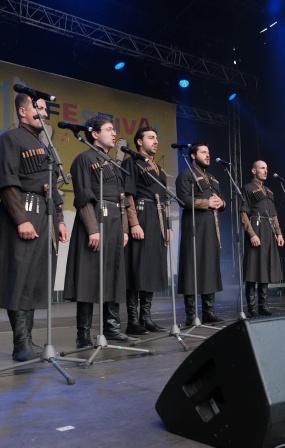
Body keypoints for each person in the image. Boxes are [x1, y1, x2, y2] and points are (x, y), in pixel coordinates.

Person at [0, 94, 69, 361]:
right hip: (24, 213)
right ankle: (21, 345)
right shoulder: (9, 139)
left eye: (45, 109)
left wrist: (60, 220)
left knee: (33, 281)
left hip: (45, 215)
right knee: (19, 279)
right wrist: (21, 220)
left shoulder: (45, 146)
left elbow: (53, 188)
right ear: (22, 110)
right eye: (38, 108)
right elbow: (7, 182)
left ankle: (28, 341)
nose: (44, 113)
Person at [64, 115, 138, 348]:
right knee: (88, 276)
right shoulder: (83, 159)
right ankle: (83, 334)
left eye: (114, 129)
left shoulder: (114, 162)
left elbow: (123, 198)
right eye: (109, 129)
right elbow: (83, 196)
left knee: (114, 274)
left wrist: (125, 229)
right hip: (95, 219)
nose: (114, 133)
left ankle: (113, 328)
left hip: (116, 222)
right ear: (94, 134)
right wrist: (92, 229)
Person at [122, 127, 168, 335]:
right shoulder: (131, 162)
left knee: (149, 269)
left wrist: (167, 227)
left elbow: (165, 201)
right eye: (151, 138)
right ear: (139, 142)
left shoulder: (158, 169)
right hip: (141, 215)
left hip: (156, 218)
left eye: (157, 138)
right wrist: (133, 223)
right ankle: (133, 320)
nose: (156, 142)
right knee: (136, 268)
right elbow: (128, 195)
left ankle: (145, 317)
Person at [175, 143, 225, 326]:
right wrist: (207, 203)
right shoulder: (186, 175)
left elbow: (220, 200)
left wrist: (221, 203)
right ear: (193, 155)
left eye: (209, 152)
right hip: (194, 227)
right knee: (191, 268)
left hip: (212, 228)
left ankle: (208, 311)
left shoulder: (213, 178)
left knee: (209, 267)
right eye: (204, 152)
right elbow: (184, 200)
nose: (208, 155)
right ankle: (191, 315)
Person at [240, 160, 284, 317]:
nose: (265, 171)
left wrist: (279, 233)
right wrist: (252, 234)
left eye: (266, 168)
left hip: (268, 230)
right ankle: (252, 308)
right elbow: (244, 213)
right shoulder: (247, 188)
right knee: (253, 270)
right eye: (262, 168)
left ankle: (263, 305)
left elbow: (274, 215)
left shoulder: (269, 191)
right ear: (254, 170)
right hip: (256, 227)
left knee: (264, 268)